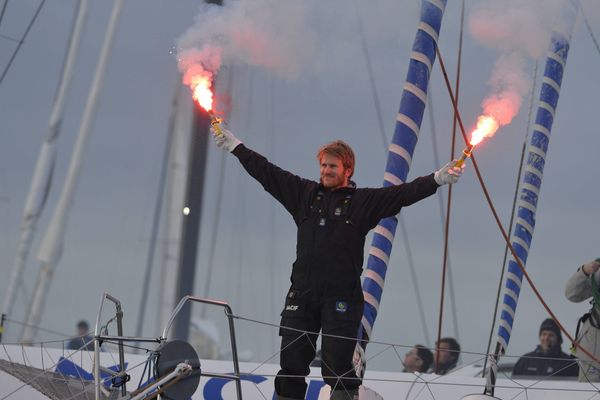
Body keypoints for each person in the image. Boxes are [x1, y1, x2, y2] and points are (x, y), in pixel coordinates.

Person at [212, 128, 464, 400]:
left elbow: (402, 194)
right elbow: (267, 172)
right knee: (291, 365)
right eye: (323, 165)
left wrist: (437, 179)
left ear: (348, 169)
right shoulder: (304, 195)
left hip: (342, 300)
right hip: (302, 296)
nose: (326, 170)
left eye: (332, 166)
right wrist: (236, 146)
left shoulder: (362, 202)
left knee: (338, 368)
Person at [565, 258, 600, 381]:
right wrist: (584, 272)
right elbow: (572, 294)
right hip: (594, 348)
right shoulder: (598, 274)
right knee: (589, 393)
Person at [512, 318, 578, 377]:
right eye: (544, 334)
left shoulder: (568, 363)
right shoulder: (525, 360)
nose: (546, 338)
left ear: (558, 339)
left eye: (551, 335)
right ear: (540, 336)